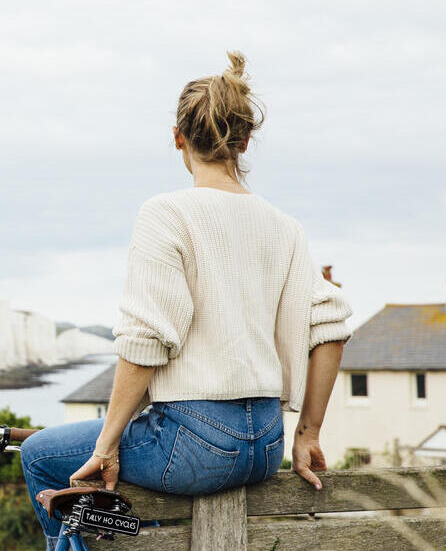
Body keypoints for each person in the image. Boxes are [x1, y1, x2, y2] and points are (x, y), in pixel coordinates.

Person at [20, 51, 352, 548]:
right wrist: (308, 434)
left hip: (195, 445)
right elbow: (331, 327)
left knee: (41, 456)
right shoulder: (286, 227)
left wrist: (108, 443)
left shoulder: (166, 214)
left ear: (178, 139)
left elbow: (147, 339)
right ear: (242, 142)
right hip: (265, 445)